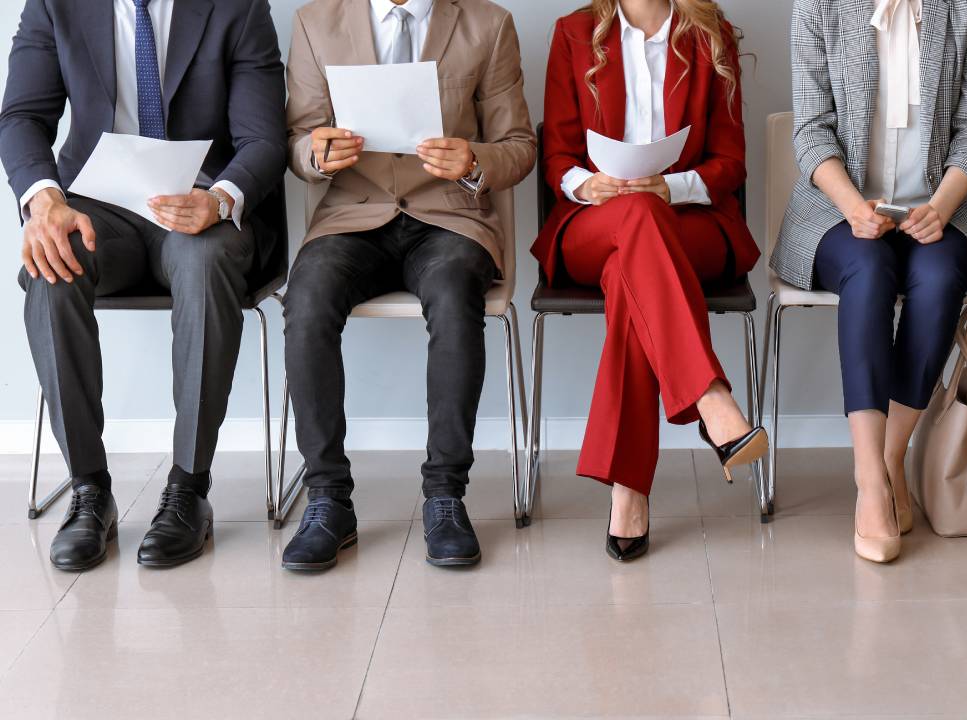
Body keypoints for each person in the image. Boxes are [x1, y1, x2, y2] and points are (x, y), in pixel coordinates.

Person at [0, 0, 287, 570]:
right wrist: (44, 199)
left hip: (202, 204)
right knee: (53, 265)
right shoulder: (55, 4)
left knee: (204, 262)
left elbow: (264, 139)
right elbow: (22, 117)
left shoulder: (239, 6)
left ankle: (188, 487)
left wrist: (220, 198)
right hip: (97, 208)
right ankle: (89, 490)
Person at [281, 0, 536, 570]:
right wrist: (317, 153)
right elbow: (297, 140)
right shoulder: (315, 22)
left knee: (452, 294)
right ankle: (327, 498)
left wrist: (473, 159)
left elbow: (519, 146)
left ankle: (445, 496)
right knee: (306, 296)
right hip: (353, 214)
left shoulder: (487, 24)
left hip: (449, 217)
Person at [533, 0, 767, 562]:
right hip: (595, 222)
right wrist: (585, 187)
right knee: (635, 227)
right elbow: (557, 152)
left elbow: (730, 162)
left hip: (692, 224)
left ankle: (629, 490)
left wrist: (671, 187)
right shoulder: (573, 33)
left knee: (633, 272)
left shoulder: (713, 34)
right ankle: (710, 397)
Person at [775, 0, 967, 562]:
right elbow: (811, 130)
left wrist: (943, 207)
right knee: (869, 270)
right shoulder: (818, 6)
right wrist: (854, 207)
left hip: (943, 207)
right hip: (836, 209)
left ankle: (888, 459)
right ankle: (871, 482)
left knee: (941, 273)